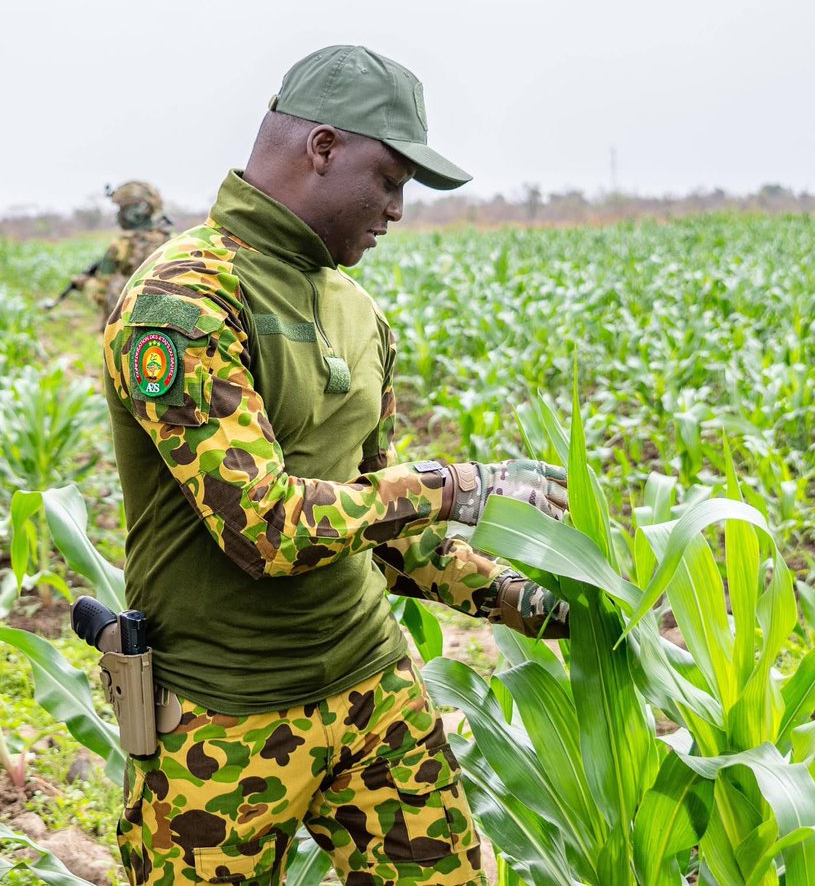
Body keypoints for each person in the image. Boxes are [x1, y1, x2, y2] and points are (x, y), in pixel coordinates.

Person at [101, 45, 570, 886]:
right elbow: (268, 528)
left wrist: (538, 603)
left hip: (372, 687)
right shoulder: (185, 299)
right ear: (322, 148)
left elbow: (386, 530)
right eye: (389, 180)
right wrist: (457, 486)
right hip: (224, 718)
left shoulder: (357, 311)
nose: (396, 210)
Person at [57, 181, 172, 326]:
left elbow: (101, 294)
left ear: (136, 211)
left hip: (122, 330)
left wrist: (84, 284)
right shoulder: (171, 243)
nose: (119, 214)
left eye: (122, 208)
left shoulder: (121, 246)